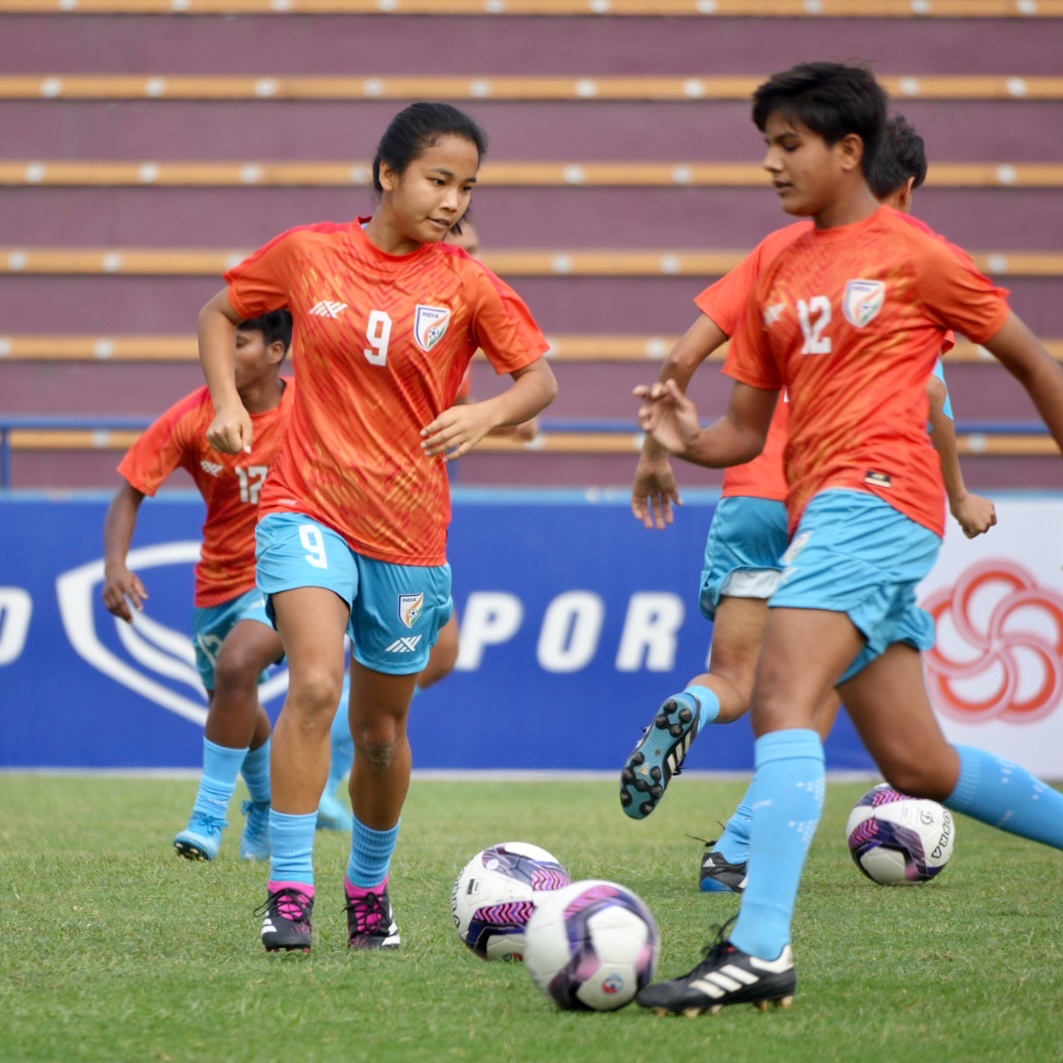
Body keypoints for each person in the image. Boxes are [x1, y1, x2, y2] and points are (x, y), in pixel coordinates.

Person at [632, 61, 1063, 1014]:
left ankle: (758, 949)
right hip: (820, 510)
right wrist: (682, 439)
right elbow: (741, 432)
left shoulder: (917, 255)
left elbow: (1034, 363)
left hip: (879, 500)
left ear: (848, 150)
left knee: (783, 693)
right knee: (918, 764)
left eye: (788, 144)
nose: (770, 163)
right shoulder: (776, 266)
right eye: (767, 145)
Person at [197, 102, 557, 953]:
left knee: (381, 735)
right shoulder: (309, 252)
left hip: (407, 531)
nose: (452, 200)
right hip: (306, 504)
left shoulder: (467, 283)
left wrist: (486, 415)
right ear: (388, 175)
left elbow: (539, 380)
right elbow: (217, 311)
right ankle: (289, 894)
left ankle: (368, 888)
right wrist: (224, 401)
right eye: (439, 180)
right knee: (315, 683)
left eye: (467, 186)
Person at [619, 115, 997, 897]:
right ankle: (739, 857)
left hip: (751, 488)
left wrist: (656, 452)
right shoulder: (907, 263)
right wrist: (958, 493)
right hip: (840, 503)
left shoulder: (778, 257)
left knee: (735, 677)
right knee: (812, 695)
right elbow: (931, 400)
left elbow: (682, 357)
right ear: (906, 188)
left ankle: (693, 708)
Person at [315, 217, 539, 832]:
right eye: (464, 246)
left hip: (413, 512)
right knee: (359, 666)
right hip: (355, 508)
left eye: (478, 247)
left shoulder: (456, 314)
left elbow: (436, 416)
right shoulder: (401, 310)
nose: (474, 258)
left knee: (439, 654)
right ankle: (315, 777)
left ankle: (330, 770)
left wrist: (497, 419)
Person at [102, 311, 294, 862]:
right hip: (218, 579)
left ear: (276, 351)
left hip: (289, 572)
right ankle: (265, 805)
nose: (223, 354)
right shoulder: (193, 415)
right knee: (231, 698)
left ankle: (208, 816)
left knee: (237, 667)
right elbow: (130, 491)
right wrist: (115, 566)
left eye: (239, 343)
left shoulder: (311, 407)